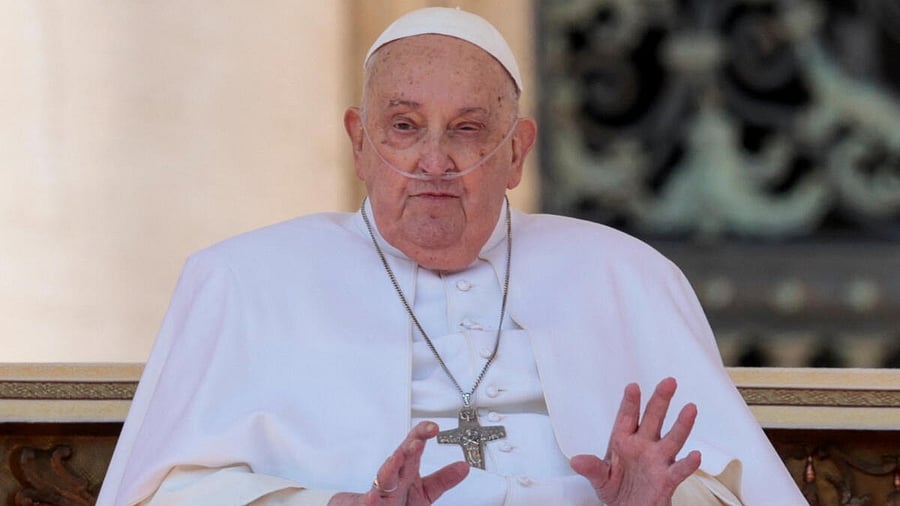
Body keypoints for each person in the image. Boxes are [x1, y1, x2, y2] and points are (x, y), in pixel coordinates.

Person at [97, 7, 805, 506]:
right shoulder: (243, 279)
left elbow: (738, 488)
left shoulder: (626, 274)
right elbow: (162, 495)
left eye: (468, 130)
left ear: (519, 152)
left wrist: (661, 501)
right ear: (360, 143)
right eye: (404, 127)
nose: (433, 161)